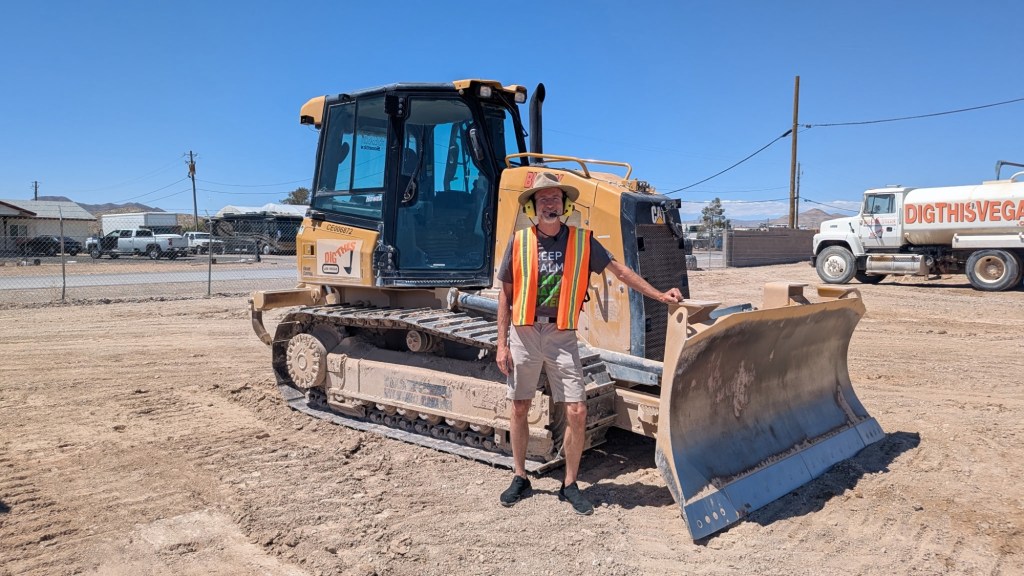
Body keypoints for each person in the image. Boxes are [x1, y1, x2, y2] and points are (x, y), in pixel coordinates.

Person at [495, 172, 683, 515]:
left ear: (564, 204)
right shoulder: (519, 241)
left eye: (555, 198)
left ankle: (569, 484)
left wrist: (659, 295)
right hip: (523, 333)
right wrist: (501, 343)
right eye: (543, 199)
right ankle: (520, 476)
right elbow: (505, 295)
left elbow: (621, 272)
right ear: (534, 206)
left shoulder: (582, 242)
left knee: (577, 410)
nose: (549, 204)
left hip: (562, 336)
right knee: (520, 405)